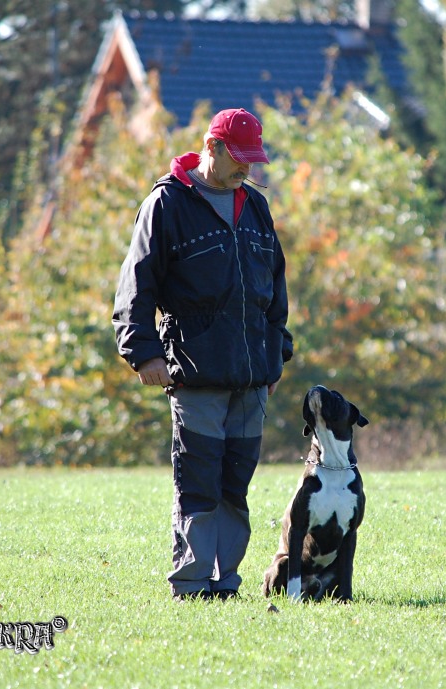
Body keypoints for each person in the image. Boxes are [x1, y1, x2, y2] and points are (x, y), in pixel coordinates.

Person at [113, 108, 293, 601]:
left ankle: (226, 584)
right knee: (198, 482)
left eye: (252, 161)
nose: (247, 171)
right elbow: (136, 286)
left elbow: (274, 289)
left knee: (235, 486)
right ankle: (191, 585)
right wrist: (142, 352)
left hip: (253, 376)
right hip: (194, 373)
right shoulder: (166, 204)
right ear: (211, 148)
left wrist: (276, 356)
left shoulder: (254, 206)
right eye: (239, 159)